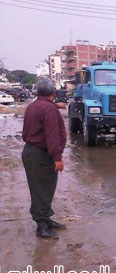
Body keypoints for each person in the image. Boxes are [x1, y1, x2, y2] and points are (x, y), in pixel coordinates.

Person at [22, 79, 67, 239]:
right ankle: (41, 224)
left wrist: (56, 106)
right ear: (53, 93)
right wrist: (57, 158)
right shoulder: (48, 109)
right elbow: (51, 135)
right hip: (40, 154)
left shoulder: (35, 105)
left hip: (33, 152)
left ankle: (45, 218)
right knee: (41, 189)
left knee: (45, 187)